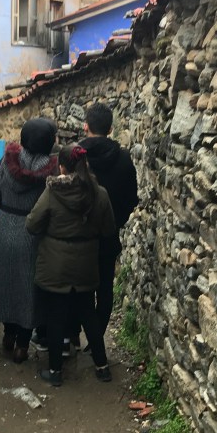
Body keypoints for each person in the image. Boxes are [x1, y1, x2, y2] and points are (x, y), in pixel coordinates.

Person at [26, 142, 116, 387]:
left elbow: (32, 224)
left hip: (56, 264)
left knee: (56, 317)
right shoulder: (100, 193)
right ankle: (102, 367)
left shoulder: (53, 192)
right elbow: (108, 229)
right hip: (86, 263)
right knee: (89, 314)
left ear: (62, 167)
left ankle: (55, 372)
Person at [0, 118, 58, 362]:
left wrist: (8, 207)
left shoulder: (6, 162)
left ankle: (8, 334)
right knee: (28, 289)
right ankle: (22, 346)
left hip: (4, 229)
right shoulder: (52, 171)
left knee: (6, 283)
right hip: (33, 235)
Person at [79, 102, 138, 338]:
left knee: (79, 288)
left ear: (85, 127)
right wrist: (115, 221)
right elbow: (131, 199)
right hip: (108, 234)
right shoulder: (123, 159)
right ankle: (97, 339)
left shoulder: (76, 157)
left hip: (78, 235)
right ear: (111, 129)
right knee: (104, 287)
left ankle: (75, 334)